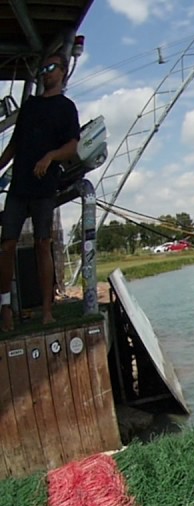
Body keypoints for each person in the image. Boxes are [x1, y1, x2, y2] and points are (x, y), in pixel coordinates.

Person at [0, 53, 81, 331]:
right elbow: (13, 145)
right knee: (6, 245)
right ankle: (5, 307)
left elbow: (72, 146)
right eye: (43, 68)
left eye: (51, 67)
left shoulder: (67, 108)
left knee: (42, 243)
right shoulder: (30, 106)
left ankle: (47, 310)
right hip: (19, 186)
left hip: (45, 187)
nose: (46, 72)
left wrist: (50, 156)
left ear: (63, 71)